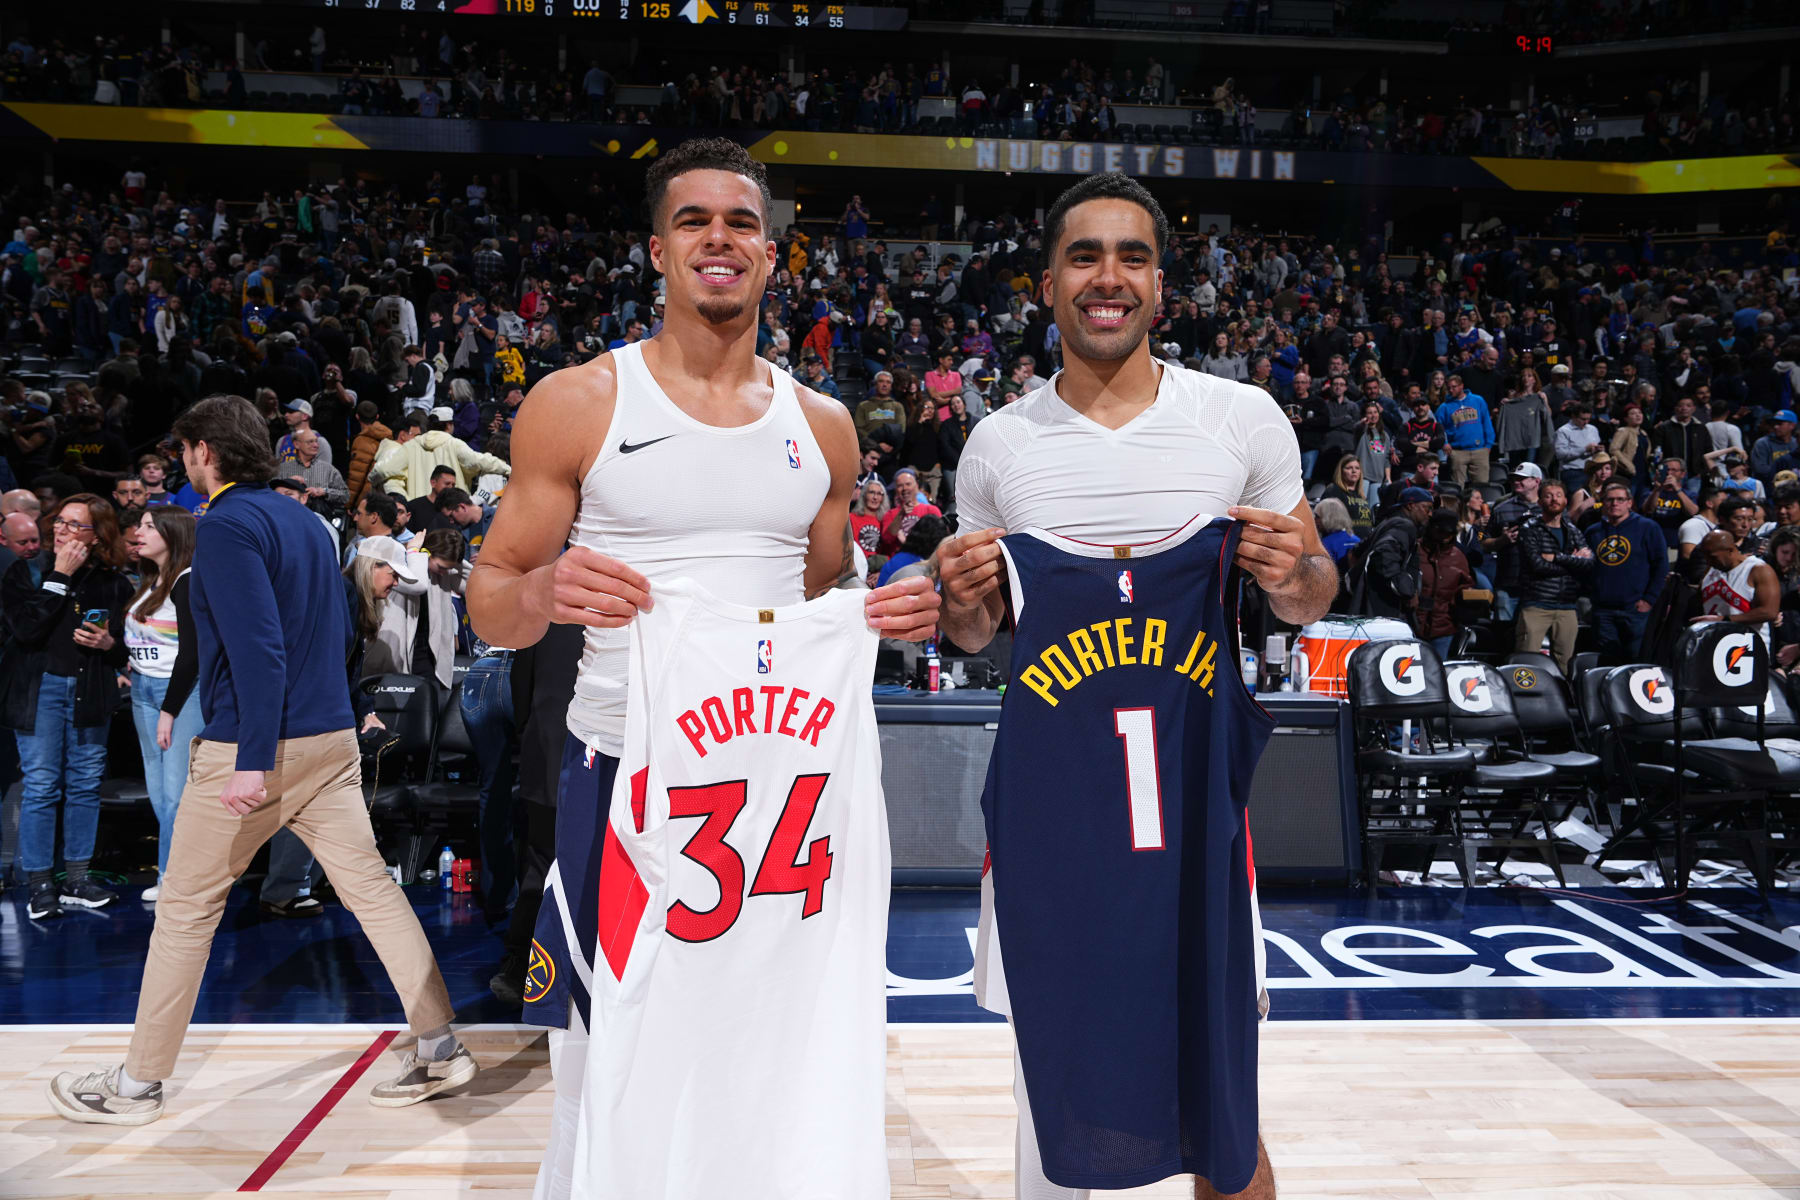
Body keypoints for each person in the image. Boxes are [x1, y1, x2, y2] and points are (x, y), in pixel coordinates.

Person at [462, 138, 938, 1200]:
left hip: (773, 789)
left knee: (763, 1057)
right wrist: (545, 596)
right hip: (625, 771)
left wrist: (888, 614)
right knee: (600, 1069)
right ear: (657, 251)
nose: (717, 240)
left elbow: (822, 605)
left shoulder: (823, 428)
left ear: (773, 255)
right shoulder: (581, 402)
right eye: (693, 222)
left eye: (739, 224)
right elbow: (490, 600)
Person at [937, 172, 1331, 1200]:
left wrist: (1296, 573)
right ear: (1046, 282)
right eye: (1084, 255)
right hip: (1058, 832)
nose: (1107, 277)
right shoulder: (997, 446)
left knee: (1223, 1115)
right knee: (1057, 1103)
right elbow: (981, 638)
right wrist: (965, 598)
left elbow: (1306, 599)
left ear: (1163, 283)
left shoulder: (1241, 421)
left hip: (1196, 827)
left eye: (1132, 256)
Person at [47, 396, 476, 1127]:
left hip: (260, 746)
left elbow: (257, 650)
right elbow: (339, 633)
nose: (183, 461)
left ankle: (135, 1087)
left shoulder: (224, 528)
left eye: (185, 449)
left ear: (204, 450)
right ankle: (438, 1044)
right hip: (330, 739)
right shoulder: (306, 524)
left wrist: (249, 759)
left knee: (184, 911)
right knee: (372, 890)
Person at [0, 494, 134, 921]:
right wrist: (59, 576)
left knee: (84, 784)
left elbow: (124, 651)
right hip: (41, 690)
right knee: (41, 786)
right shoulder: (27, 571)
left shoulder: (114, 582)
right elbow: (26, 630)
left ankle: (76, 877)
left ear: (97, 536)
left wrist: (110, 644)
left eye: (75, 525)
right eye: (60, 521)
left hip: (89, 689)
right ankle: (40, 882)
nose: (61, 530)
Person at [123, 507, 204, 902]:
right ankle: (180, 873)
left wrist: (169, 710)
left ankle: (174, 881)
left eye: (148, 526)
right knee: (158, 795)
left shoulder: (187, 581)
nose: (139, 532)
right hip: (142, 690)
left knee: (177, 795)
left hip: (181, 695)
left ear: (173, 534)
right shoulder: (150, 579)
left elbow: (192, 655)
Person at [1585, 478, 1669, 663]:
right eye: (1610, 499)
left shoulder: (1648, 527)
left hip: (1636, 609)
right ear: (1603, 503)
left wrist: (1649, 600)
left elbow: (1661, 566)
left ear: (1629, 503)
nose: (1615, 503)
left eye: (1620, 499)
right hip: (1603, 610)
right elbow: (1587, 568)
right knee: (1608, 662)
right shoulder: (1593, 531)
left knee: (1637, 662)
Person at [1516, 480, 1591, 672]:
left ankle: (1563, 699)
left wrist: (1556, 557)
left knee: (1566, 664)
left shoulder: (1573, 530)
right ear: (1540, 501)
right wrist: (1571, 561)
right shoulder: (1530, 529)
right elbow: (1537, 565)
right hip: (1536, 604)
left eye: (1558, 495)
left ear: (1566, 500)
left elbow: (1588, 563)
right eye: (1548, 495)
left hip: (1567, 605)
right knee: (1527, 663)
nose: (1554, 499)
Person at [1694, 529, 1779, 649]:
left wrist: (1724, 620)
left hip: (1748, 648)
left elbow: (1769, 612)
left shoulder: (1758, 569)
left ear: (1730, 550)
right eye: (1706, 556)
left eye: (1712, 557)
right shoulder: (1711, 569)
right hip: (1714, 645)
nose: (1708, 561)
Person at [1358, 486, 1431, 619]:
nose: (1430, 513)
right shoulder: (1403, 526)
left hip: (1374, 600)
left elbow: (1357, 550)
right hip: (1382, 606)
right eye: (1427, 507)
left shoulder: (1388, 522)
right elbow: (1384, 558)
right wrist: (1408, 591)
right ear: (1410, 506)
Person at [1416, 508, 1472, 657]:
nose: (1445, 537)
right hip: (1414, 624)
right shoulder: (1415, 550)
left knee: (1437, 673)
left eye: (1449, 533)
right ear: (1431, 528)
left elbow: (1466, 587)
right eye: (1441, 531)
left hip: (1444, 626)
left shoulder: (1458, 557)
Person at [1436, 372, 1495, 486]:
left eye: (1454, 387)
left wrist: (1488, 445)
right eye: (1449, 388)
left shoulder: (1478, 400)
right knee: (1458, 487)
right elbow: (1438, 428)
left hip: (1479, 450)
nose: (1451, 390)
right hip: (1457, 451)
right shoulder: (1444, 407)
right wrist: (1445, 443)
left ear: (1461, 386)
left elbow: (1486, 423)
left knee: (1481, 486)